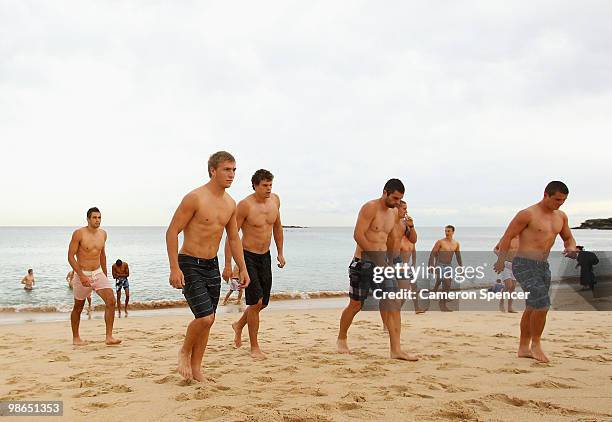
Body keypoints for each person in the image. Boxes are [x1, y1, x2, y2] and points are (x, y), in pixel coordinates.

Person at [166, 151, 249, 381]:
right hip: (189, 262)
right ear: (213, 170)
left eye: (234, 170)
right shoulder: (195, 198)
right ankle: (184, 351)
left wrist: (241, 267)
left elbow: (233, 238)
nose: (231, 175)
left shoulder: (230, 204)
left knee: (208, 320)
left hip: (211, 265)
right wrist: (175, 268)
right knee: (205, 318)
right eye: (226, 169)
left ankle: (197, 370)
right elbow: (172, 232)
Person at [494, 181, 577, 363]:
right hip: (523, 264)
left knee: (533, 306)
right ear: (546, 194)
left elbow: (568, 238)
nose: (560, 203)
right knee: (542, 303)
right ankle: (536, 344)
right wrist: (501, 261)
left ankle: (523, 348)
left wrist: (571, 248)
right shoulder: (527, 214)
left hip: (542, 266)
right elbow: (507, 237)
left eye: (563, 200)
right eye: (557, 199)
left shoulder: (561, 217)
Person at [337, 178, 418, 361]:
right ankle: (342, 338)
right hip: (363, 262)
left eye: (400, 200)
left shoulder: (392, 213)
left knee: (393, 303)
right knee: (356, 304)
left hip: (382, 264)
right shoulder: (370, 208)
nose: (397, 203)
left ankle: (395, 350)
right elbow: (358, 234)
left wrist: (389, 261)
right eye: (395, 198)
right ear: (385, 192)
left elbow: (389, 239)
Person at [226, 169, 285, 360]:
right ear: (255, 186)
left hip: (265, 256)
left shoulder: (275, 200)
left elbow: (277, 227)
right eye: (264, 185)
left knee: (263, 303)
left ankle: (238, 325)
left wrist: (280, 253)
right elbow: (232, 235)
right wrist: (229, 264)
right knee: (255, 302)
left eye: (270, 185)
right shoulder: (245, 205)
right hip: (247, 257)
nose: (268, 189)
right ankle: (254, 347)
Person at [68, 207, 121, 346]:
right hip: (82, 274)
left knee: (111, 301)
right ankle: (76, 338)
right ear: (88, 219)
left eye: (99, 217)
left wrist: (105, 274)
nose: (97, 220)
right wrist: (80, 275)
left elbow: (102, 254)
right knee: (78, 307)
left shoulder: (103, 234)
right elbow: (70, 256)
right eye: (94, 217)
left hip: (98, 273)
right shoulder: (79, 234)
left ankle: (109, 337)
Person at [428, 225, 463, 311]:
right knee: (446, 282)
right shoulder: (440, 242)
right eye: (445, 231)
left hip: (448, 265)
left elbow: (458, 256)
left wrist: (461, 267)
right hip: (440, 264)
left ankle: (441, 298)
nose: (446, 233)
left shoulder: (456, 244)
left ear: (453, 232)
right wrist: (431, 265)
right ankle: (442, 303)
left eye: (448, 231)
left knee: (447, 284)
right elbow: (432, 253)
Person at [398, 200, 424, 314]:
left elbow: (414, 252)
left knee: (414, 287)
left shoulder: (411, 241)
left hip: (408, 267)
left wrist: (414, 264)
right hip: (400, 268)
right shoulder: (398, 239)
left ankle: (417, 308)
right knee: (402, 294)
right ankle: (393, 314)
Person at [494, 236, 519, 312]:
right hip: (505, 264)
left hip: (515, 266)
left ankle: (510, 307)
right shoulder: (507, 237)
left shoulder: (522, 239)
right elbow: (495, 249)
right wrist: (501, 257)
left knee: (513, 287)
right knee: (508, 285)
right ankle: (501, 303)